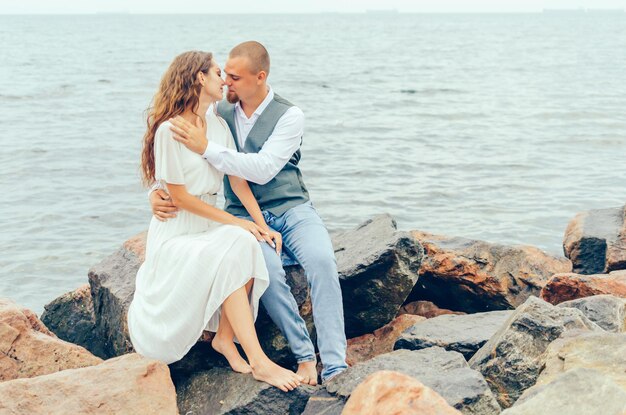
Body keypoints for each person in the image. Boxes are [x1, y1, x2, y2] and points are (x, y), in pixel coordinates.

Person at [151, 41, 348, 384]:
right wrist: (156, 192)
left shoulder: (290, 115)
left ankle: (334, 364)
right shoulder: (219, 113)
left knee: (322, 262)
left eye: (235, 77)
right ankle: (304, 357)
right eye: (223, 74)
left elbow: (262, 169)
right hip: (241, 211)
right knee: (265, 271)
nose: (226, 82)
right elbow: (179, 159)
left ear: (260, 77)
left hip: (291, 207)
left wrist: (206, 148)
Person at [127, 50, 302, 392]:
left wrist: (258, 224)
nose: (224, 80)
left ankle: (225, 339)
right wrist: (236, 223)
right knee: (235, 240)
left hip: (205, 224)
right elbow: (179, 198)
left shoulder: (217, 125)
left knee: (247, 243)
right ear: (199, 78)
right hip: (177, 231)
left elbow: (236, 179)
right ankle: (260, 361)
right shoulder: (170, 130)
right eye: (218, 73)